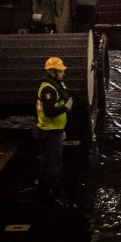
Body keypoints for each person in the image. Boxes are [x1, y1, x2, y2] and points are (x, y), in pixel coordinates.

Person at [36, 56, 73, 201]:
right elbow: (49, 111)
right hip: (49, 131)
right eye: (61, 71)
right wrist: (66, 108)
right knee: (53, 162)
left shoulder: (56, 85)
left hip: (54, 130)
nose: (64, 74)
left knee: (49, 161)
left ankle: (46, 189)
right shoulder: (48, 89)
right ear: (53, 72)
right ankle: (50, 194)